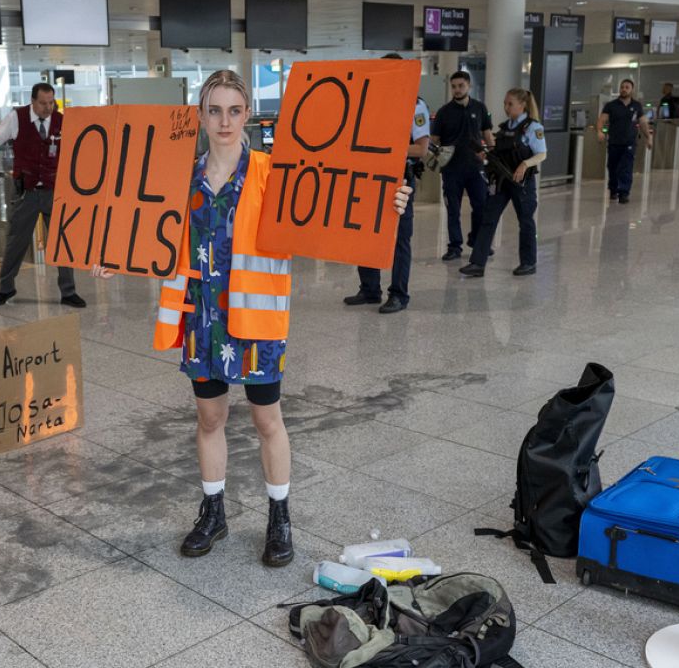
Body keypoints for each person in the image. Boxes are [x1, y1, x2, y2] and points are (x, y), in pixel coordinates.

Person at [92, 71, 411, 567]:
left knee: (267, 419)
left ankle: (279, 516)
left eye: (234, 110)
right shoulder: (180, 178)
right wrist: (118, 255)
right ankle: (213, 510)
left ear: (248, 115)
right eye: (214, 110)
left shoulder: (274, 175)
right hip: (202, 318)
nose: (224, 121)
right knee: (210, 417)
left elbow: (332, 208)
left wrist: (384, 203)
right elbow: (150, 232)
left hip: (256, 318)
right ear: (199, 116)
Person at [0, 83, 84, 308]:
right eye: (43, 103)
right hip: (24, 192)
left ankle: (68, 292)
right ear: (32, 101)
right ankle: (5, 288)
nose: (49, 108)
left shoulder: (62, 121)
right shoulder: (16, 118)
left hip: (54, 190)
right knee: (15, 242)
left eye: (52, 103)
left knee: (62, 241)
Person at [345, 52, 429, 314]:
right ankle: (370, 288)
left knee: (400, 237)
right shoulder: (371, 102)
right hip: (369, 176)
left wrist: (386, 148)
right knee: (365, 233)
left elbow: (421, 149)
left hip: (399, 179)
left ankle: (399, 294)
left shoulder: (415, 105)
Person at [460, 88, 547, 278]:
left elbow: (542, 153)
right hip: (501, 181)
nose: (506, 108)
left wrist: (525, 164)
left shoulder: (533, 127)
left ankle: (528, 262)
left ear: (522, 105)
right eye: (505, 104)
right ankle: (477, 263)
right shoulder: (505, 127)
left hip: (521, 182)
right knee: (488, 218)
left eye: (510, 104)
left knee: (525, 221)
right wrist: (486, 155)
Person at [431, 70, 494, 261]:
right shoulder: (444, 112)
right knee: (453, 209)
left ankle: (477, 240)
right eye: (454, 86)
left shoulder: (480, 108)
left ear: (469, 86)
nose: (457, 90)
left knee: (481, 205)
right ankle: (454, 246)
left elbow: (487, 134)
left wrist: (492, 156)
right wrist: (437, 155)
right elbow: (435, 140)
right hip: (452, 169)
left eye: (461, 86)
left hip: (475, 167)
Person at [597, 79, 653, 204]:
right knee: (613, 167)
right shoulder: (611, 105)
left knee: (626, 168)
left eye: (627, 87)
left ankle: (624, 193)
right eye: (622, 87)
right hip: (614, 142)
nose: (624, 89)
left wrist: (648, 137)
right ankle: (613, 189)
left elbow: (643, 123)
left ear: (631, 90)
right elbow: (602, 119)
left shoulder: (637, 106)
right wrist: (600, 131)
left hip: (629, 143)